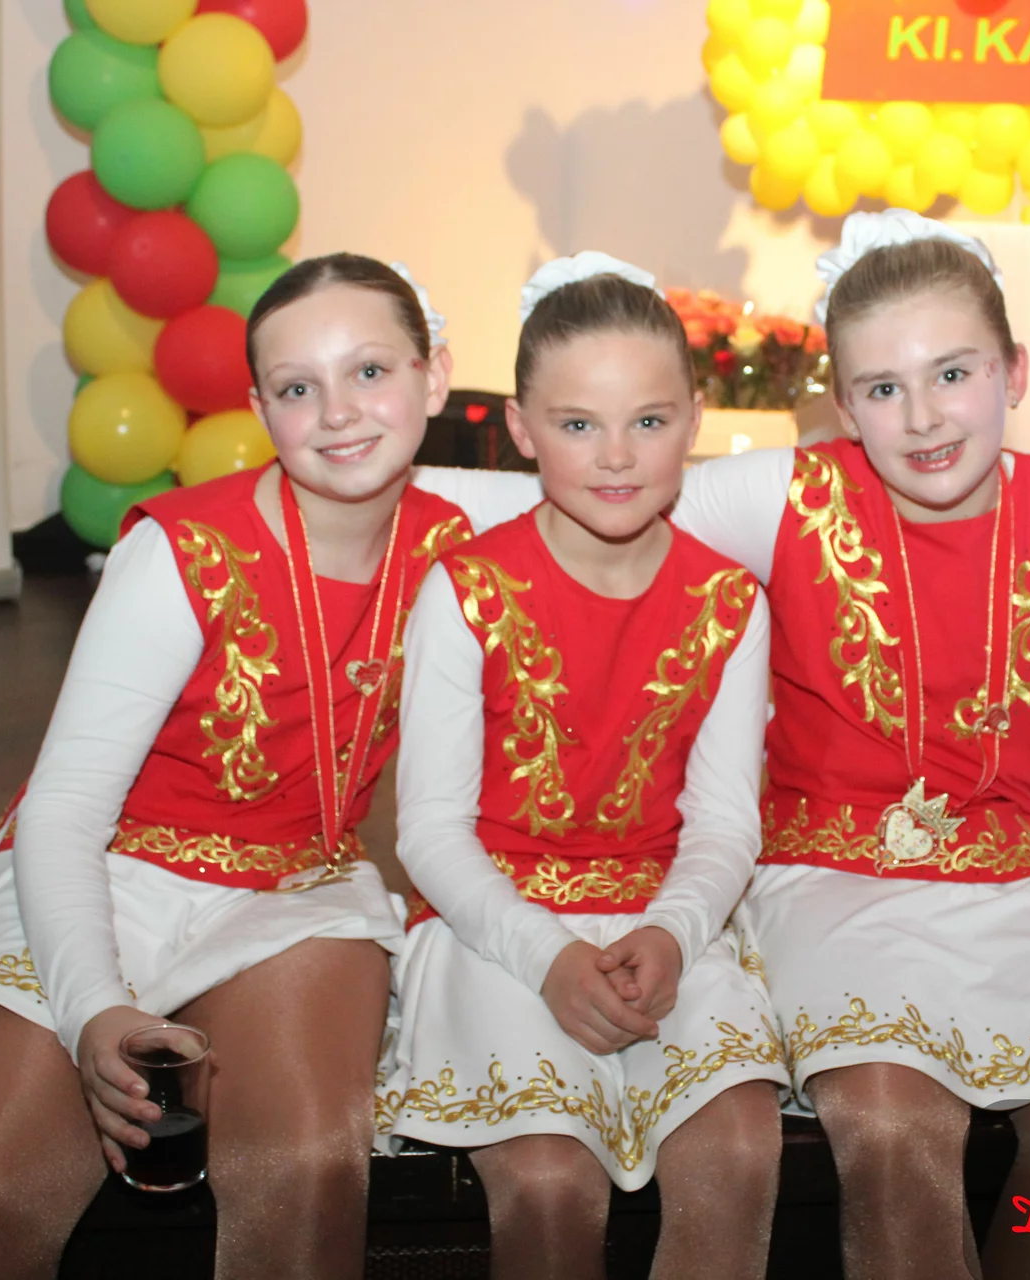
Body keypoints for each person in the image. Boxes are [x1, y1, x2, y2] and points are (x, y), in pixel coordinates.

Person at [415, 212, 1030, 1279]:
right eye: (884, 387)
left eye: (953, 373)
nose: (924, 415)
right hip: (831, 878)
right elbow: (563, 493)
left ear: (1013, 371)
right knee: (891, 1124)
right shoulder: (788, 495)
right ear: (843, 403)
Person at [0, 253, 472, 1280]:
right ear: (259, 409)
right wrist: (92, 1006)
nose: (339, 412)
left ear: (434, 375)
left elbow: (631, 479)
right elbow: (63, 811)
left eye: (370, 371)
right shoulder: (183, 551)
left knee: (307, 1174)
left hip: (298, 885)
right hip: (106, 869)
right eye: (297, 387)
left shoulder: (458, 543)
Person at [383, 254, 787, 1280]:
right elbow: (428, 830)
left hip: (666, 920)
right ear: (522, 430)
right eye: (577, 424)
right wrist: (548, 957)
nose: (615, 456)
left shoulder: (730, 603)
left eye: (648, 421)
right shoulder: (465, 591)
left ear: (694, 422)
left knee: (739, 1156)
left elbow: (724, 822)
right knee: (551, 1182)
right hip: (494, 925)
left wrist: (674, 930)